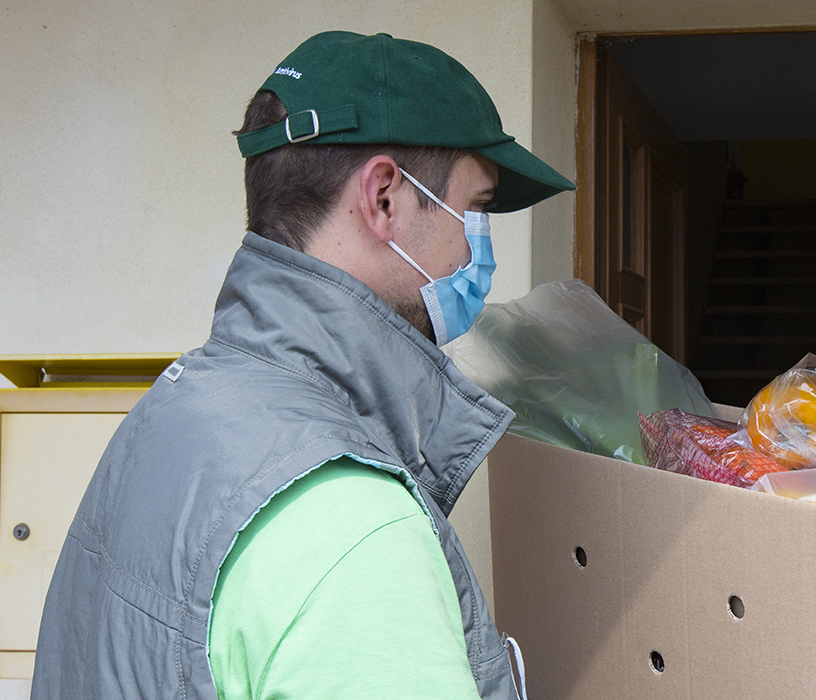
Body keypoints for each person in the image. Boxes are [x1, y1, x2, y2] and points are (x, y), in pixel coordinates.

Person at [31, 31, 574, 700]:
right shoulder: (355, 530)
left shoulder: (170, 412)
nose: (476, 249)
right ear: (384, 199)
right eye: (477, 210)